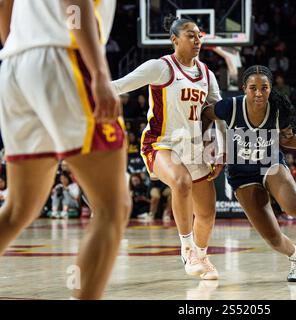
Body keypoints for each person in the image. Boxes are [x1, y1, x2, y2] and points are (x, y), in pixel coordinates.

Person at [0, 0, 131, 299]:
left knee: (18, 210)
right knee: (113, 207)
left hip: (15, 64)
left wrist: (24, 49)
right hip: (64, 55)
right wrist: (99, 72)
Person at [202, 65, 296, 282]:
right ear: (244, 88)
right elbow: (205, 114)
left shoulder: (279, 109)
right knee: (271, 237)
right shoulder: (230, 106)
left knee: (293, 205)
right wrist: (209, 143)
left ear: (271, 88)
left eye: (264, 87)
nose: (259, 93)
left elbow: (287, 139)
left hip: (270, 163)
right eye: (253, 88)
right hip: (241, 174)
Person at [111, 16, 226, 280]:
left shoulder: (207, 74)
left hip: (195, 148)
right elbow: (120, 85)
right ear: (175, 40)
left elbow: (220, 114)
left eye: (199, 35)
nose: (197, 40)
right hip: (161, 143)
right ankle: (187, 249)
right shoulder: (160, 67)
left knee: (207, 213)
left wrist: (221, 150)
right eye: (190, 35)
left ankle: (201, 255)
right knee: (181, 182)